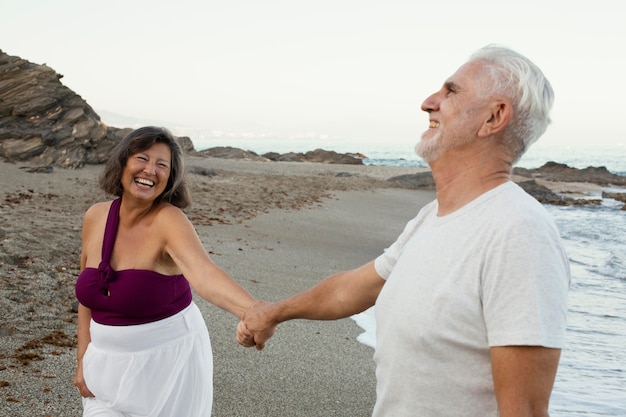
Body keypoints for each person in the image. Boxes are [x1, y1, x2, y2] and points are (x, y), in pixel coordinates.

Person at [237, 45, 571, 417]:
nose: (428, 102)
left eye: (451, 91)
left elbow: (523, 410)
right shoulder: (432, 218)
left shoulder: (519, 233)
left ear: (494, 117)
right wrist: (273, 313)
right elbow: (350, 290)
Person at [74, 126, 258, 416]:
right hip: (106, 365)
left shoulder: (169, 221)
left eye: (162, 165)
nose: (150, 170)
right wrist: (83, 359)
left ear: (170, 178)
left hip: (167, 365)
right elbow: (87, 296)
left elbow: (204, 274)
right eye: (142, 159)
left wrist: (253, 311)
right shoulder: (96, 216)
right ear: (122, 162)